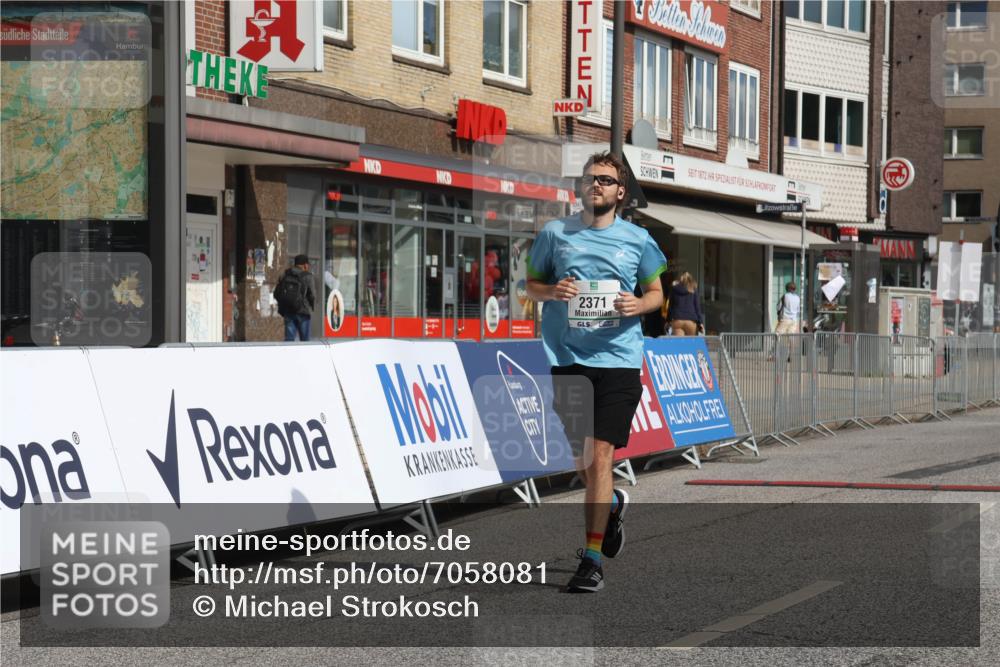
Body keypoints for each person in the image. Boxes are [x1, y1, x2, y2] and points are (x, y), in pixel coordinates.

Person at [526, 152, 667, 593]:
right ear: (580, 187)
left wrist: (637, 304)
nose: (597, 186)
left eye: (606, 180)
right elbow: (529, 286)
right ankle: (613, 503)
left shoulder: (638, 239)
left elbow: (657, 293)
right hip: (568, 358)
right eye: (590, 179)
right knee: (581, 457)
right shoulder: (555, 233)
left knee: (601, 452)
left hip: (619, 360)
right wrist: (553, 290)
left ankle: (591, 560)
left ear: (620, 191)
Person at [275, 254, 316, 341]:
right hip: (303, 312)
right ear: (305, 265)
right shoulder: (308, 276)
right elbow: (312, 294)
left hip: (289, 312)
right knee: (305, 341)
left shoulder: (285, 274)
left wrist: (284, 305)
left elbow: (277, 293)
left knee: (289, 340)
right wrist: (311, 306)